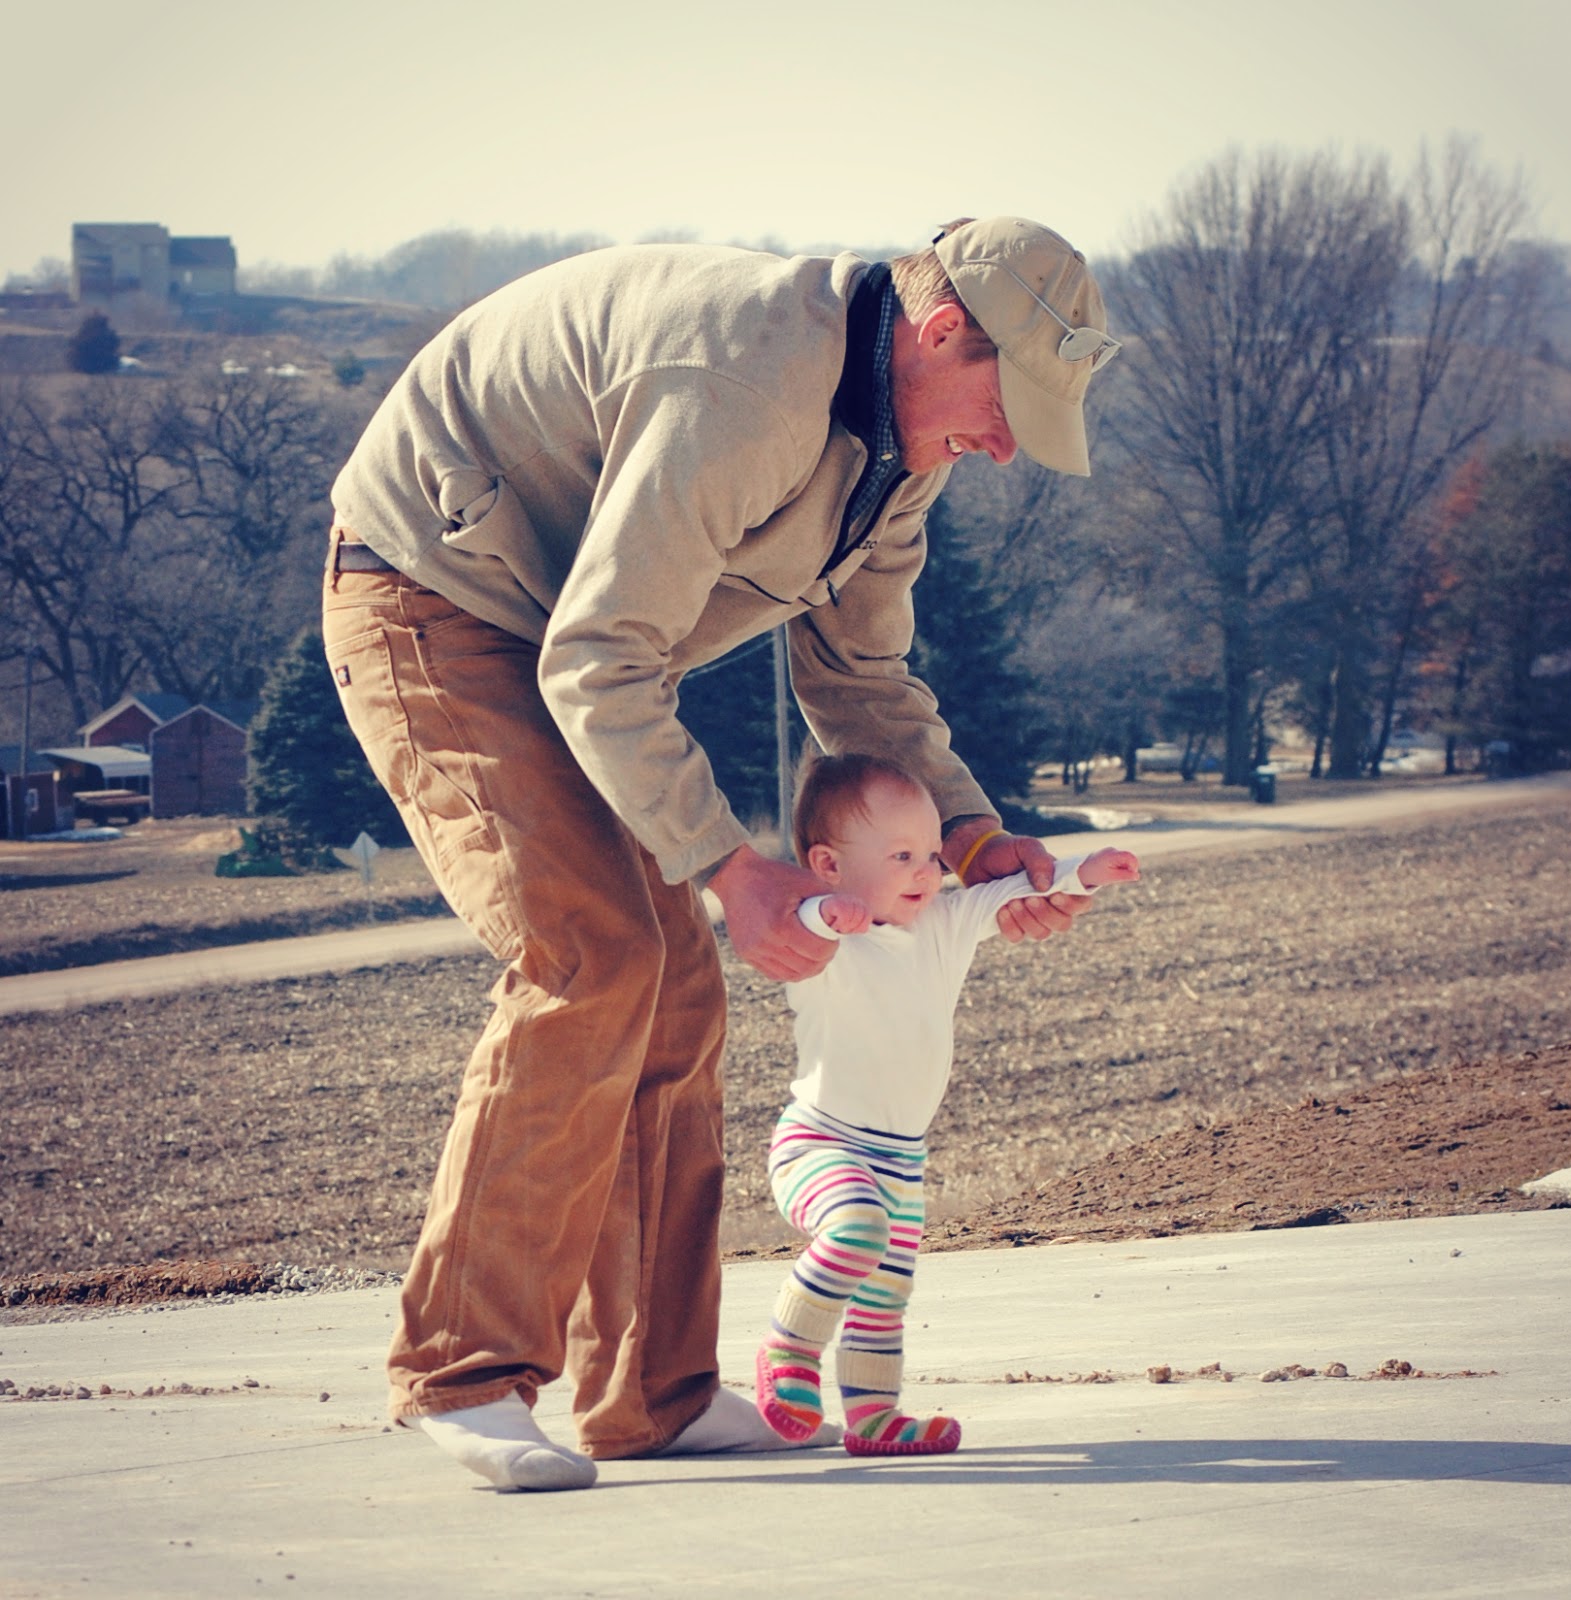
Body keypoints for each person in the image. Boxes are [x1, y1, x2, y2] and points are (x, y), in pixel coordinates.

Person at [321, 215, 1119, 1491]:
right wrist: (729, 865)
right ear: (940, 330)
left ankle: (649, 1395)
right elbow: (595, 658)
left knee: (677, 987)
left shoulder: (900, 457)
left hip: (564, 626)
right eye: (1003, 401)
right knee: (595, 957)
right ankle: (463, 1371)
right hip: (434, 598)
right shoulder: (744, 387)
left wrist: (972, 841)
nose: (1004, 441)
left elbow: (861, 674)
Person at [754, 753, 1139, 1456]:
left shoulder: (944, 923)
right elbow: (802, 916)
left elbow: (1015, 890)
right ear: (829, 865)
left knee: (885, 1293)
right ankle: (787, 1352)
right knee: (855, 1236)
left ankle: (873, 1420)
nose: (928, 872)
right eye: (902, 856)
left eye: (932, 855)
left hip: (901, 1160)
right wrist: (821, 910)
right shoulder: (822, 938)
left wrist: (1089, 869)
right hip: (821, 1143)